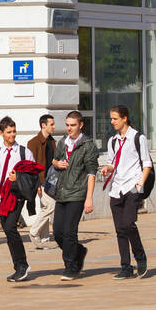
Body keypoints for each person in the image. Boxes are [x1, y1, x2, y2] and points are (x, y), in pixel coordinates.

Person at [101, 105, 152, 279]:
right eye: (111, 118)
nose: (112, 122)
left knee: (129, 224)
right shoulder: (113, 141)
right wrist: (108, 168)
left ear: (124, 118)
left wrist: (140, 185)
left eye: (115, 118)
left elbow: (147, 163)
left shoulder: (138, 138)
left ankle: (140, 256)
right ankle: (126, 267)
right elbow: (112, 162)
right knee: (120, 229)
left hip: (132, 187)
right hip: (116, 188)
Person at [0, 117, 32, 282]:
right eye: (9, 132)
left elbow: (32, 175)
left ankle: (22, 265)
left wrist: (17, 178)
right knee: (8, 231)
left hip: (17, 196)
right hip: (0, 197)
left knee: (10, 227)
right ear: (1, 133)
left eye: (14, 131)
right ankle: (18, 267)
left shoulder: (24, 153)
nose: (13, 135)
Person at [51, 111, 98, 281]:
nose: (69, 128)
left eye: (73, 125)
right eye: (67, 125)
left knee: (70, 232)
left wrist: (89, 198)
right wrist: (58, 163)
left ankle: (71, 266)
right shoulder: (63, 142)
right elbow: (54, 161)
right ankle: (78, 251)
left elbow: (92, 173)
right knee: (57, 232)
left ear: (81, 125)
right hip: (62, 192)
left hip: (78, 193)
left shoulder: (88, 145)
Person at [25, 114, 57, 249]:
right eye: (51, 124)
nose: (54, 127)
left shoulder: (52, 141)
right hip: (41, 181)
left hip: (52, 181)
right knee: (51, 206)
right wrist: (36, 184)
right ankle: (33, 231)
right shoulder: (33, 143)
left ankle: (43, 240)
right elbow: (30, 166)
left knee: (46, 208)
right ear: (43, 125)